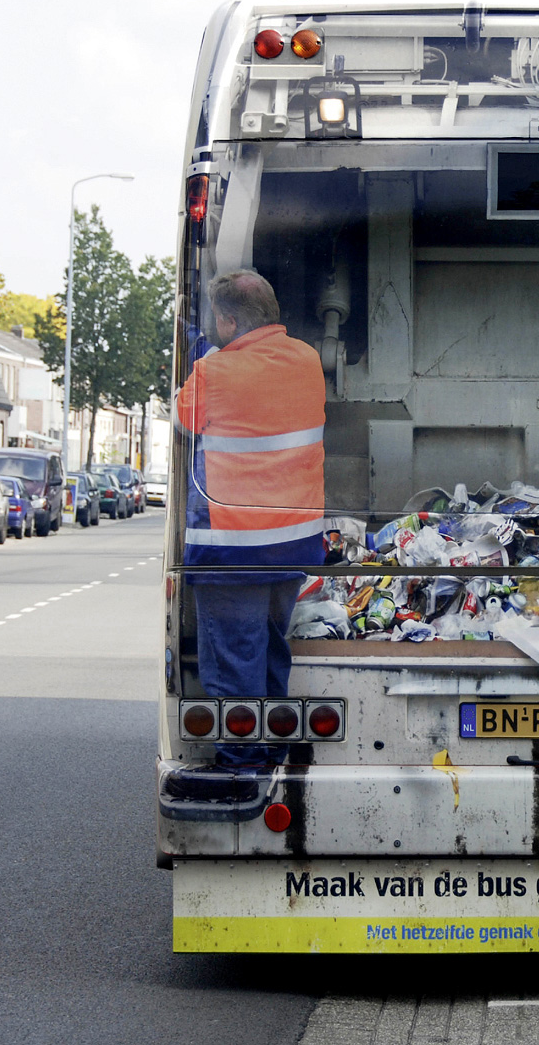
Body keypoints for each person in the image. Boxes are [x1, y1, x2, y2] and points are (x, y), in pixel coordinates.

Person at [174, 269, 326, 770]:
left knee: (234, 662)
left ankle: (242, 761)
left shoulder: (215, 373)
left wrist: (204, 357)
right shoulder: (308, 360)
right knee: (269, 653)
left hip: (233, 553)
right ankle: (273, 747)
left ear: (227, 319)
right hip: (292, 549)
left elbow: (185, 417)